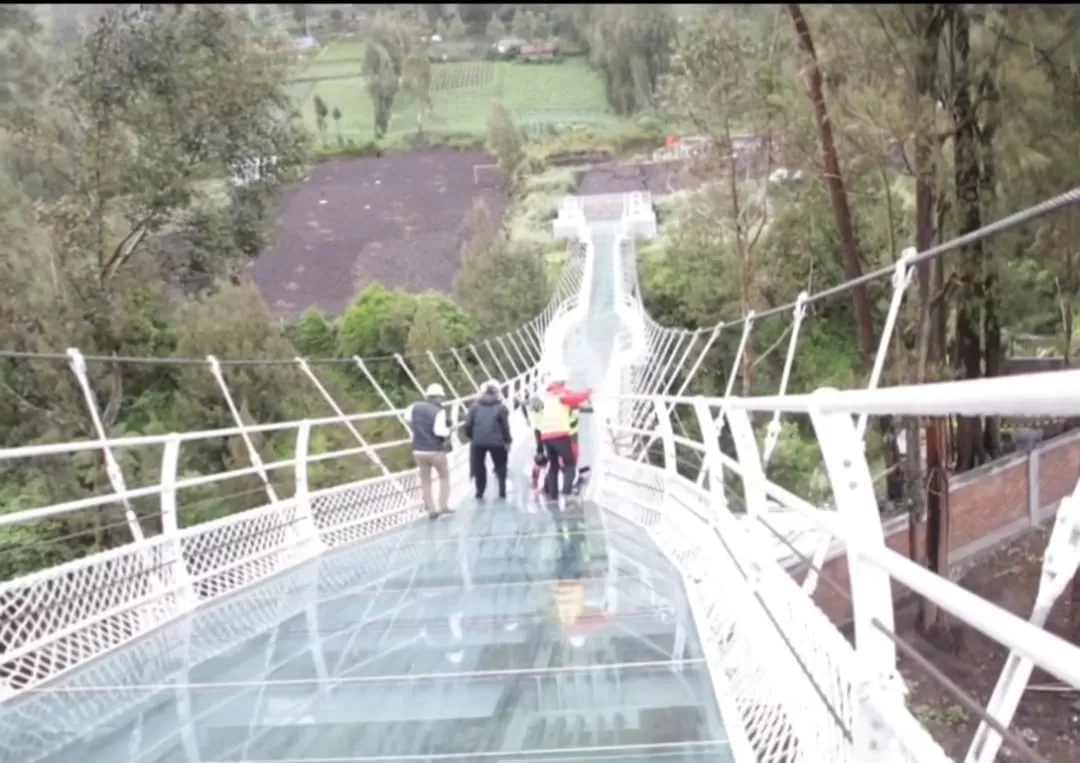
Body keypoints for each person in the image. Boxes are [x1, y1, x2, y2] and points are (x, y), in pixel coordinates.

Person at [535, 366, 592, 499]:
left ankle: (553, 496)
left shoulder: (545, 396)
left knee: (553, 466)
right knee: (570, 463)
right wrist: (589, 393)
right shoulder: (562, 394)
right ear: (562, 382)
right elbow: (577, 399)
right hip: (560, 434)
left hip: (546, 436)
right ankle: (566, 493)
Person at [407, 383, 453, 519]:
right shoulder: (439, 411)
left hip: (418, 450)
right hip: (435, 450)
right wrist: (449, 431)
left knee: (425, 480)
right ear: (438, 397)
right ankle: (443, 505)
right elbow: (439, 431)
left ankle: (431, 509)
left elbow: (408, 420)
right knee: (444, 477)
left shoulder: (414, 407)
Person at [463, 379, 512, 500]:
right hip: (497, 441)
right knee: (501, 465)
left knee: (479, 466)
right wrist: (508, 441)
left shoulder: (474, 407)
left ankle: (479, 492)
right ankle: (502, 491)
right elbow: (505, 427)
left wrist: (471, 436)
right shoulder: (502, 408)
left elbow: (468, 424)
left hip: (478, 441)